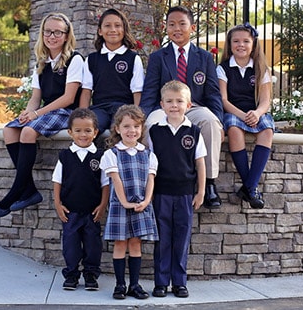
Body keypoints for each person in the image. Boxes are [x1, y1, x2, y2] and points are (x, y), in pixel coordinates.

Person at [0, 12, 84, 217]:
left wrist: (36, 115)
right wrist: (27, 113)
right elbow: (35, 97)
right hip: (46, 111)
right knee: (10, 130)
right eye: (48, 31)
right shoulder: (41, 62)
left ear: (67, 36)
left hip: (66, 111)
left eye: (58, 32)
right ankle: (30, 190)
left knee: (28, 132)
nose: (52, 36)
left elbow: (69, 98)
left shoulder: (74, 59)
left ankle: (16, 191)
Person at [140, 5, 224, 209]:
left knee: (210, 122)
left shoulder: (204, 57)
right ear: (166, 28)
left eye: (182, 24)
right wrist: (142, 117)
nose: (176, 28)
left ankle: (210, 184)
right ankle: (150, 178)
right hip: (165, 107)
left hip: (193, 107)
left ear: (192, 27)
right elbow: (150, 91)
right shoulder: (158, 57)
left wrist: (220, 121)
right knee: (150, 125)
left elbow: (213, 92)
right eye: (171, 25)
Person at [147, 80, 206, 298]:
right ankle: (161, 282)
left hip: (185, 194)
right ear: (162, 104)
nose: (174, 105)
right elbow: (150, 165)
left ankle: (179, 282)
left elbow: (200, 163)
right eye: (169, 101)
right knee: (162, 239)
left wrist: (200, 191)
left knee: (181, 239)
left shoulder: (194, 131)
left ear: (188, 105)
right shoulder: (155, 132)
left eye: (179, 101)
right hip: (161, 193)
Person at [99, 104, 158, 300]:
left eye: (136, 126)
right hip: (120, 206)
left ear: (141, 129)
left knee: (135, 245)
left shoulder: (148, 154)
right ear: (117, 128)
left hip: (141, 205)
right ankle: (119, 285)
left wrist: (146, 201)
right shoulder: (112, 154)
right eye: (126, 126)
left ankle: (134, 284)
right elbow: (115, 181)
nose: (131, 130)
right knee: (120, 244)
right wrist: (125, 203)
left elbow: (150, 180)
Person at [216, 23, 275, 209]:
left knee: (267, 131)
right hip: (234, 112)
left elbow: (266, 101)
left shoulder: (261, 69)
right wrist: (242, 115)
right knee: (234, 130)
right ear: (230, 44)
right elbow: (223, 100)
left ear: (253, 44)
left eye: (245, 41)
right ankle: (251, 189)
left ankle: (249, 187)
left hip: (255, 112)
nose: (240, 45)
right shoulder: (223, 69)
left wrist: (257, 113)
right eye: (236, 41)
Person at [52, 108, 109, 291]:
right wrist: (57, 204)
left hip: (92, 212)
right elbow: (57, 182)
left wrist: (103, 205)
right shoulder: (65, 157)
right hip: (71, 211)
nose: (83, 135)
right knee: (71, 245)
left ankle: (91, 275)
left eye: (87, 130)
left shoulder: (100, 156)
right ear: (70, 132)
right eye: (78, 131)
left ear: (95, 132)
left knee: (93, 245)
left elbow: (105, 184)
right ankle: (71, 275)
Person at [80, 8, 145, 134]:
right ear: (100, 31)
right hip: (99, 109)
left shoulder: (133, 58)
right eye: (107, 26)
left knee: (119, 130)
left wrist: (137, 118)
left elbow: (137, 92)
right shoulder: (92, 59)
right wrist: (82, 116)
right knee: (90, 128)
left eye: (117, 26)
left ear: (124, 30)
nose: (113, 30)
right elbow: (86, 92)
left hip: (124, 109)